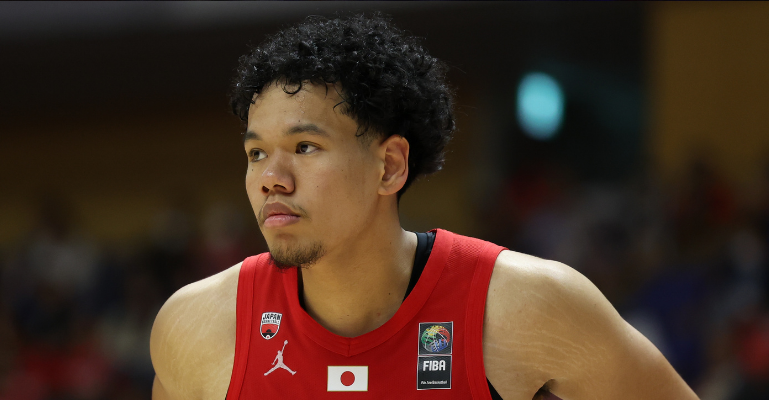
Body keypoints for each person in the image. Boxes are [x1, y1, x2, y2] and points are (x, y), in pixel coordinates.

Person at [150, 14, 699, 400]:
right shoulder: (196, 326)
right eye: (256, 153)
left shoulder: (529, 306)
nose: (271, 178)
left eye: (305, 147)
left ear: (389, 166)